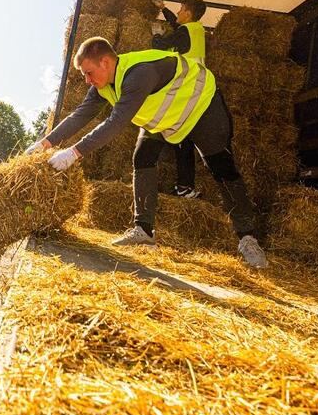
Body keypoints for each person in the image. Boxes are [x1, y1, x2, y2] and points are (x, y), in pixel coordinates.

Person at [27, 37, 267, 268]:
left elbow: (116, 122)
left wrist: (73, 153)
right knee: (142, 158)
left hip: (200, 106)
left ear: (105, 62)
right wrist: (44, 144)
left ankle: (248, 239)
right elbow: (80, 114)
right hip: (164, 119)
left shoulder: (139, 73)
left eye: (89, 73)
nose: (87, 80)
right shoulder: (102, 85)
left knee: (221, 167)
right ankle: (144, 231)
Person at [152, 0, 208, 199]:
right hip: (196, 91)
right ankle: (185, 186)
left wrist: (156, 35)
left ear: (189, 14)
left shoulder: (186, 32)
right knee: (182, 139)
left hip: (185, 92)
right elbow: (177, 27)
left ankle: (185, 187)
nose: (179, 12)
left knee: (182, 140)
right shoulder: (196, 30)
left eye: (181, 9)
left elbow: (161, 45)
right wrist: (164, 9)